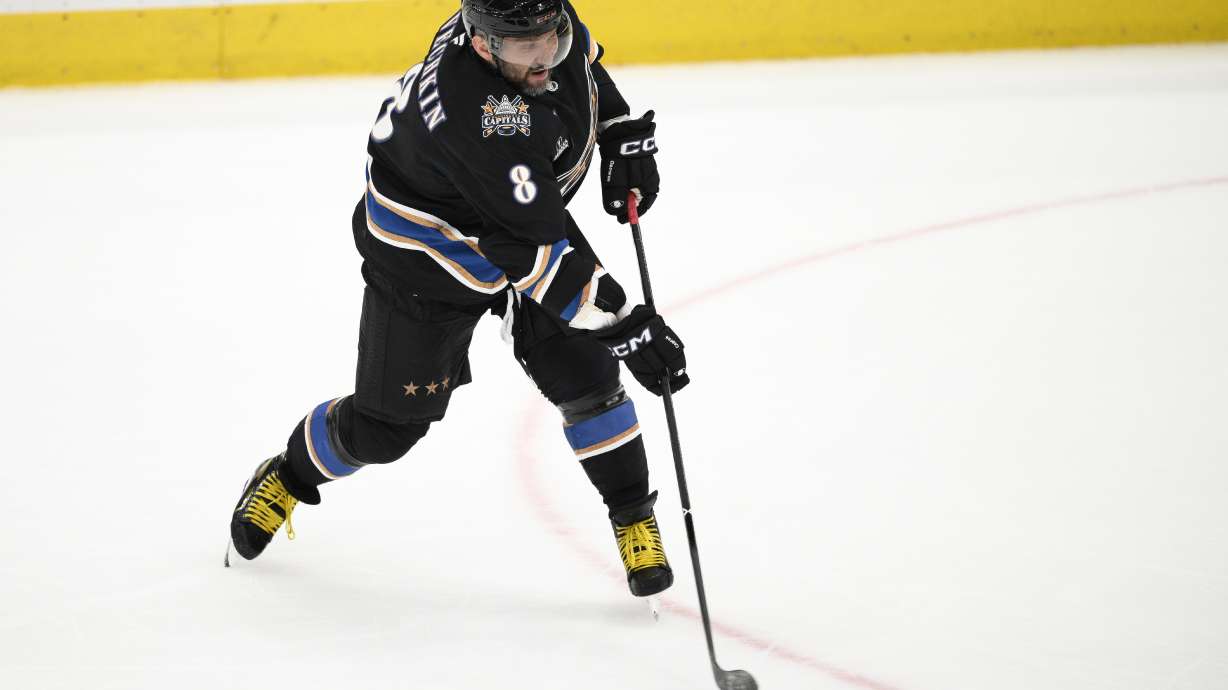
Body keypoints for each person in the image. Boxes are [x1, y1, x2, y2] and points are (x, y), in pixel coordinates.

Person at [227, 0, 689, 599]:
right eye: (526, 48)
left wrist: (617, 128)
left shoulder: (532, 26)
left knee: (588, 379)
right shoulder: (481, 118)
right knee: (387, 429)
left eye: (553, 36)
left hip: (518, 217)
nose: (545, 54)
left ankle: (632, 516)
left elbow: (585, 69)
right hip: (428, 259)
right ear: (481, 43)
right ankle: (288, 474)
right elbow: (535, 256)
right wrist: (627, 327)